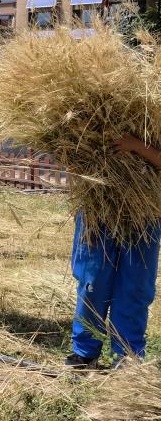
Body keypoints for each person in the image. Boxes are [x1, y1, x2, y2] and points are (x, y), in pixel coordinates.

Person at [66, 133, 161, 369]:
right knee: (92, 281)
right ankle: (85, 352)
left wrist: (138, 146)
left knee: (135, 286)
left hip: (145, 211)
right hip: (97, 206)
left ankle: (127, 356)